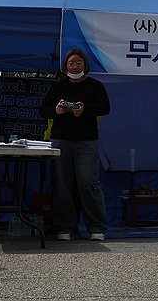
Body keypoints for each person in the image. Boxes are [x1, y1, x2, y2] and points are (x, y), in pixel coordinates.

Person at [40, 49, 110, 241]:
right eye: (71, 63)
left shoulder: (95, 86)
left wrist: (84, 110)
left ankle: (97, 227)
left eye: (78, 63)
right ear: (65, 66)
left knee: (89, 183)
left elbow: (105, 107)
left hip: (87, 140)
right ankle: (64, 227)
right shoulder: (57, 87)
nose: (75, 66)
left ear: (85, 66)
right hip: (61, 140)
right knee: (62, 184)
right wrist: (57, 110)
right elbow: (43, 111)